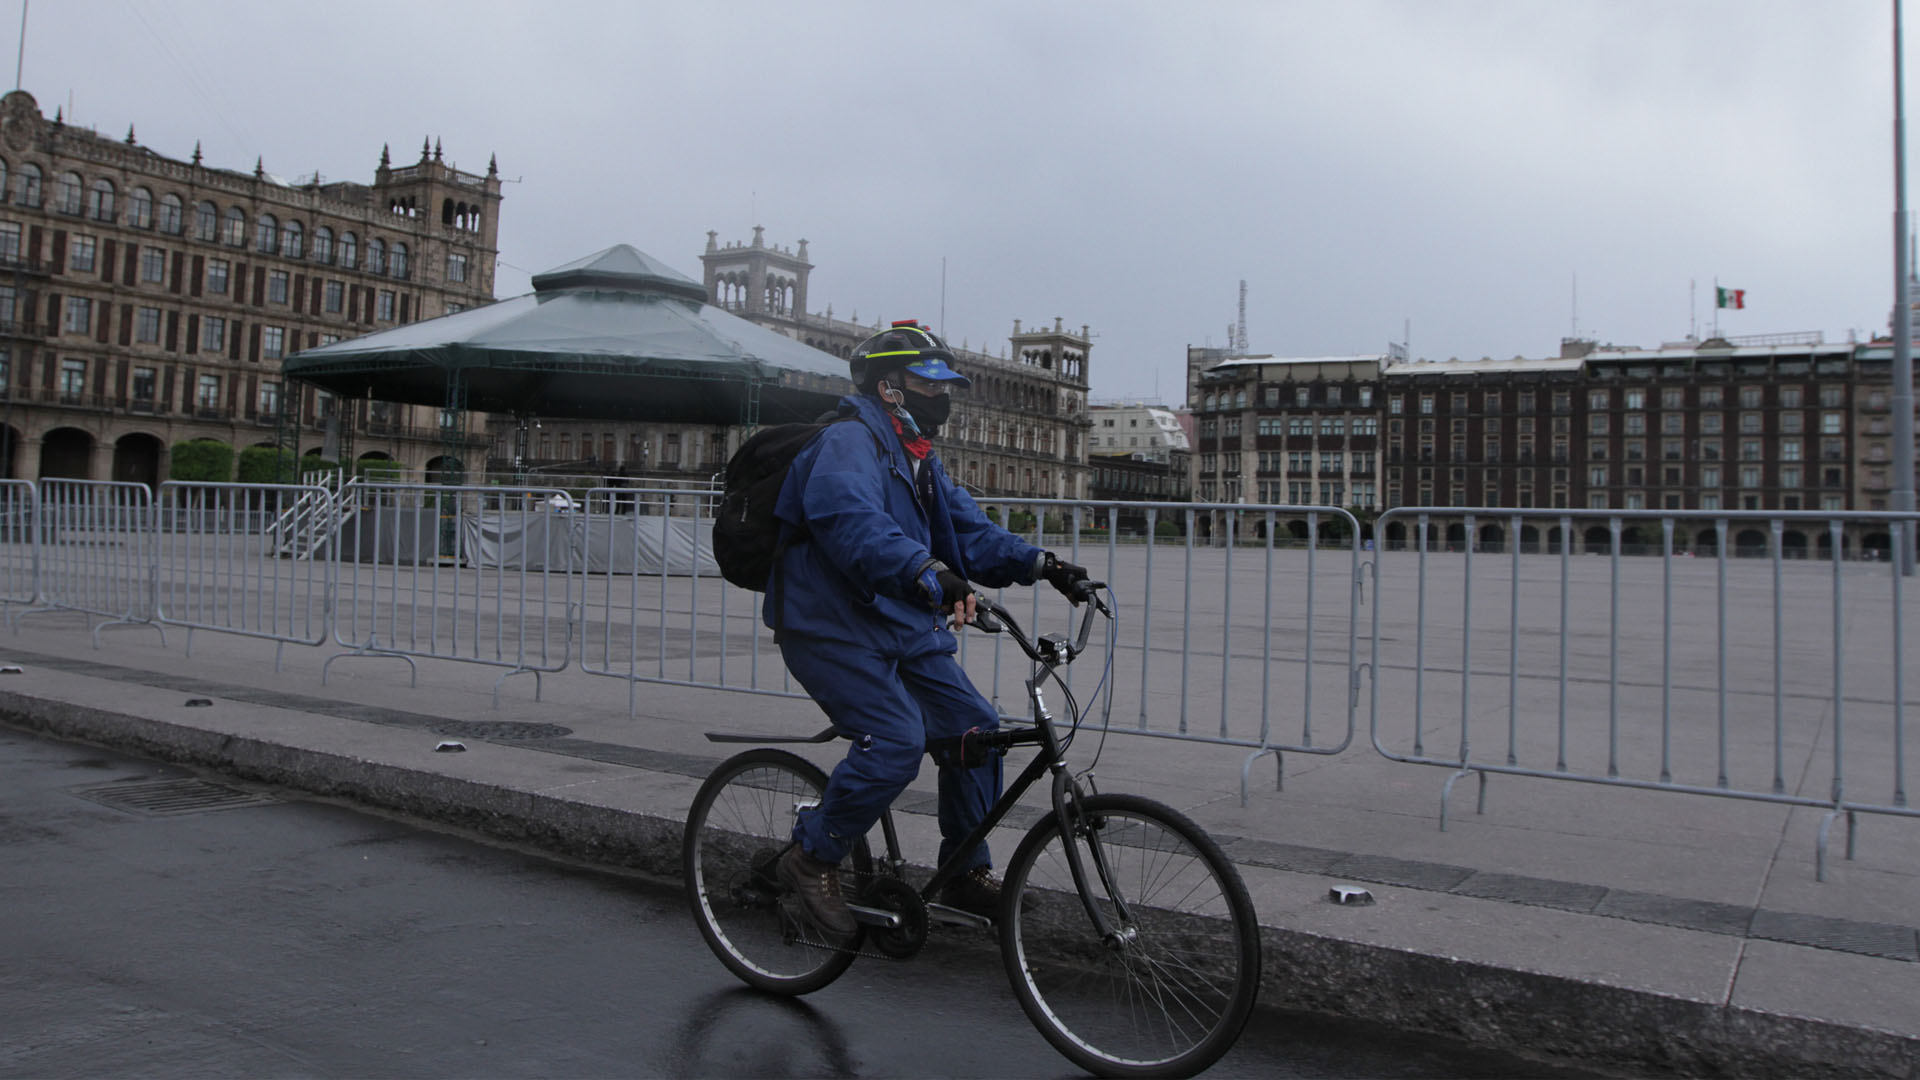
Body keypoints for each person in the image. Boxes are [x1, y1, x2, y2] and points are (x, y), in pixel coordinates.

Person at [767, 319, 1088, 935]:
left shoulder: (916, 455)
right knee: (894, 741)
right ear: (890, 387)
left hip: (894, 621)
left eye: (946, 384)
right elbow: (849, 522)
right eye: (930, 383)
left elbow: (968, 530)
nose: (943, 396)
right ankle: (811, 858)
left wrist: (1043, 565)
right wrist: (927, 571)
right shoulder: (847, 443)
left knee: (976, 730)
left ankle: (965, 871)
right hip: (830, 624)